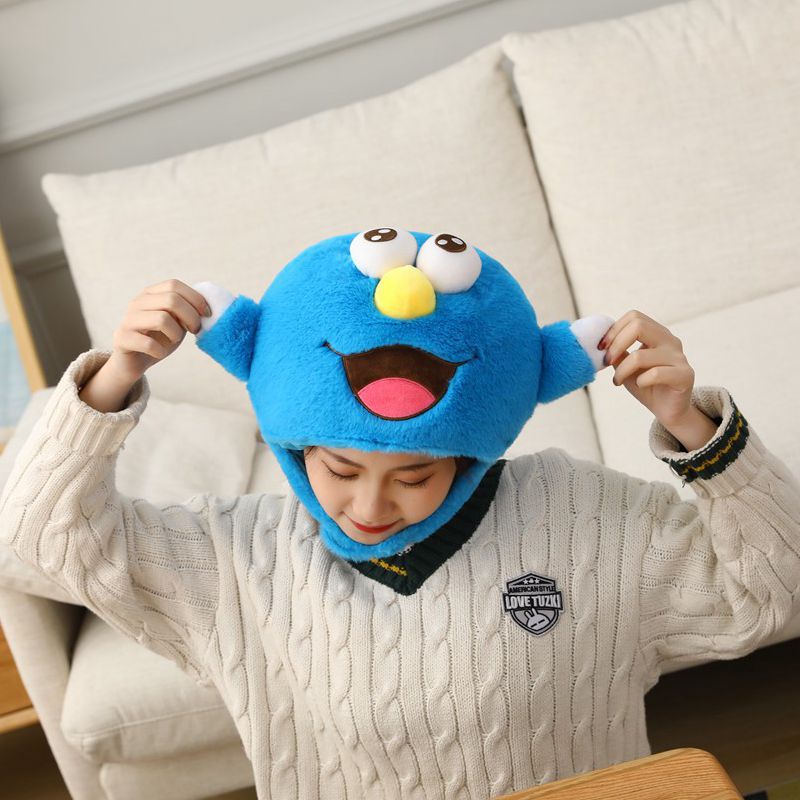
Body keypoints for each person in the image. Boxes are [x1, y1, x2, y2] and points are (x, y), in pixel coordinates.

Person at [1, 226, 799, 800]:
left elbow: (775, 591)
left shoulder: (582, 515)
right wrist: (115, 377)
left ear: (468, 454)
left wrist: (693, 426)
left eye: (415, 475)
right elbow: (35, 540)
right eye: (339, 469)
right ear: (295, 449)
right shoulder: (235, 561)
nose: (369, 506)